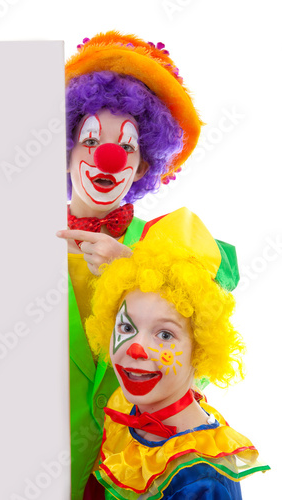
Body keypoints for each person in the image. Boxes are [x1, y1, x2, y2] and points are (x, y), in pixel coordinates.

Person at [57, 32, 238, 498]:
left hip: (137, 470)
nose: (108, 157)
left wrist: (135, 269)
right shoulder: (14, 242)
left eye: (128, 147)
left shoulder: (169, 240)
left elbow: (217, 295)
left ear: (141, 167)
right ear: (67, 149)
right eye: (90, 139)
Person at [85, 209, 270, 499]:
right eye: (126, 326)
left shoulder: (204, 477)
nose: (136, 348)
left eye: (165, 335)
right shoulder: (123, 408)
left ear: (201, 347)